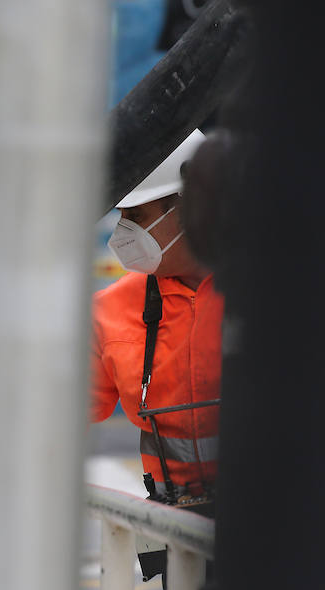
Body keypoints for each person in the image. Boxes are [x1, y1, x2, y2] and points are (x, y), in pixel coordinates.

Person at [90, 128, 220, 529]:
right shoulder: (109, 310)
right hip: (175, 528)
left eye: (136, 217)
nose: (123, 234)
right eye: (122, 217)